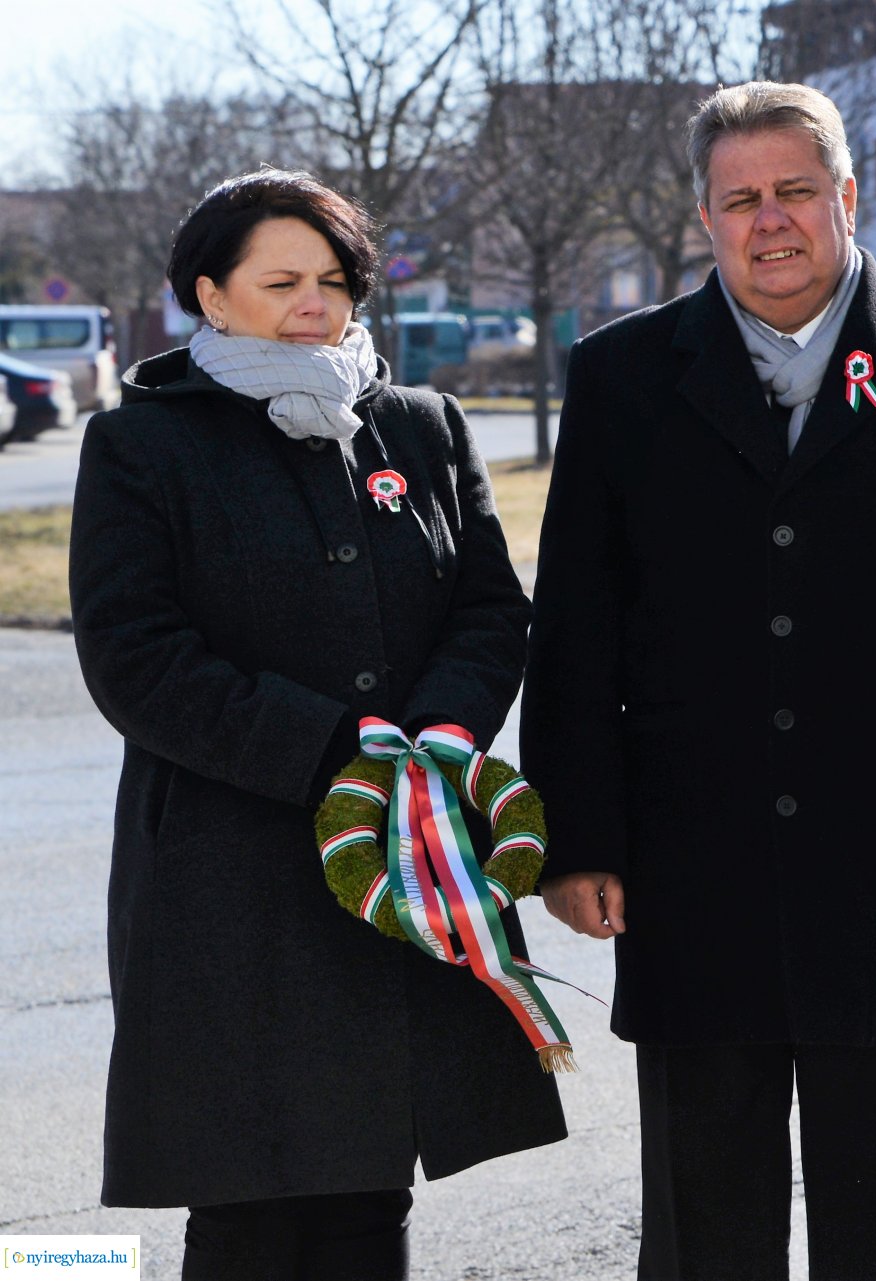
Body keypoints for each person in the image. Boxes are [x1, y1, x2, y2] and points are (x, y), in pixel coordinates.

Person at [520, 81, 876, 1280]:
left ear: (847, 196)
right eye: (742, 200)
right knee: (703, 1222)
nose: (771, 221)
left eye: (795, 193)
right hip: (685, 866)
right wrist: (577, 840)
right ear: (706, 218)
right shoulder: (619, 377)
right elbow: (575, 627)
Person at [67, 168, 565, 1279]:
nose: (315, 303)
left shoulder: (420, 428)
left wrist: (439, 732)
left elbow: (490, 610)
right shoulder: (143, 445)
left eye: (335, 280)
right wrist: (337, 750)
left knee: (366, 1192)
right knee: (248, 1206)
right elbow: (135, 660)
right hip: (224, 881)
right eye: (281, 280)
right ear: (212, 294)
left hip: (394, 866)